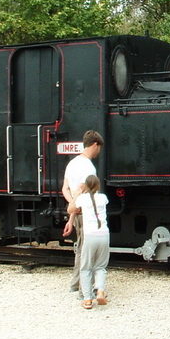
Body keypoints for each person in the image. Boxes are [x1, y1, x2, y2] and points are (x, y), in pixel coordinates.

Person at [61, 130, 103, 297]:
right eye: (99, 148)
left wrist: (72, 208)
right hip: (85, 213)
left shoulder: (72, 163)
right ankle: (84, 291)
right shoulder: (88, 167)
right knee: (88, 251)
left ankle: (75, 284)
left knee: (80, 249)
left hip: (77, 211)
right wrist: (73, 210)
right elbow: (82, 192)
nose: (99, 151)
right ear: (94, 145)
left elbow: (65, 189)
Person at [71, 173, 109, 309]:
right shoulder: (103, 198)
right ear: (98, 185)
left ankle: (87, 300)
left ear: (86, 186)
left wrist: (77, 194)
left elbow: (70, 209)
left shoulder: (82, 199)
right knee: (101, 267)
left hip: (90, 236)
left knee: (86, 268)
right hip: (104, 235)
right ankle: (100, 290)